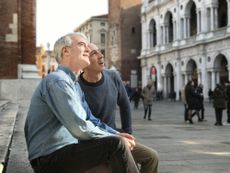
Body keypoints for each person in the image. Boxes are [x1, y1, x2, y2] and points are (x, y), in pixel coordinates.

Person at [24, 33, 139, 173]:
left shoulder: (74, 84)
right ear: (65, 51)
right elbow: (80, 127)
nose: (87, 50)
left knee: (122, 147)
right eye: (82, 45)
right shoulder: (58, 80)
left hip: (66, 151)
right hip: (48, 158)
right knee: (116, 145)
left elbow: (91, 119)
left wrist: (116, 133)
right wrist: (115, 137)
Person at [78, 43, 159, 173]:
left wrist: (128, 133)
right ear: (84, 63)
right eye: (94, 54)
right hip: (92, 145)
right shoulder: (77, 87)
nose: (101, 55)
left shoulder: (113, 76)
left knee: (151, 157)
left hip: (116, 139)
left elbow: (125, 104)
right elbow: (84, 124)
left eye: (100, 51)